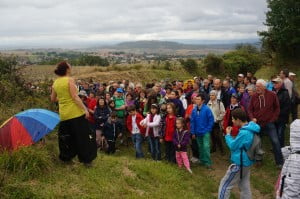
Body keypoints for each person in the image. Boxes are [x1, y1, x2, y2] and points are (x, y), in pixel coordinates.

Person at [51, 61, 97, 165]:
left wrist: (63, 99)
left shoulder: (56, 82)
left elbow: (53, 99)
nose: (70, 66)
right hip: (75, 113)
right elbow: (75, 97)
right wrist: (85, 109)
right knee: (82, 137)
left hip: (63, 114)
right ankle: (86, 160)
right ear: (67, 69)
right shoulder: (69, 80)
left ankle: (66, 158)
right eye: (69, 65)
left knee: (67, 137)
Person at [218, 108, 260, 199]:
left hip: (240, 162)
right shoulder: (250, 128)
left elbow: (233, 146)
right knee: (244, 184)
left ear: (238, 120)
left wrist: (228, 135)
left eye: (233, 119)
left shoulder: (244, 132)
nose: (232, 121)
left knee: (225, 184)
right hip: (247, 162)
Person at [248, 79, 283, 167]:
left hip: (269, 123)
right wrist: (252, 118)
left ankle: (279, 162)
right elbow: (250, 109)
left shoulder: (272, 95)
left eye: (258, 86)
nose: (257, 88)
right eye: (256, 86)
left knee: (275, 141)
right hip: (257, 124)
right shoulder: (254, 96)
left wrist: (273, 119)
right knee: (257, 142)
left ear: (264, 86)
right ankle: (258, 160)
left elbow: (277, 108)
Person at [190, 93, 214, 169]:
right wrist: (193, 132)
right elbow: (192, 122)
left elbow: (211, 120)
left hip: (205, 132)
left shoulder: (207, 109)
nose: (196, 101)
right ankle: (202, 160)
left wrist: (208, 129)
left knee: (206, 146)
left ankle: (208, 163)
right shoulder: (194, 110)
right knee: (200, 147)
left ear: (203, 101)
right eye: (196, 99)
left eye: (198, 99)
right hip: (197, 132)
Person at [272, 77, 291, 147]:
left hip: (281, 117)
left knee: (280, 133)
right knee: (275, 133)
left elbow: (287, 106)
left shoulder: (285, 92)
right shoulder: (273, 91)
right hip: (274, 117)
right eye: (273, 82)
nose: (274, 84)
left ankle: (281, 148)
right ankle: (276, 147)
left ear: (281, 84)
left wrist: (278, 113)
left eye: (276, 82)